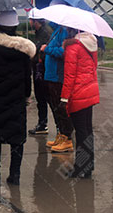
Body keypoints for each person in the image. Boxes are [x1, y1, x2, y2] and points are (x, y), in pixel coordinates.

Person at [0, 10, 35, 187]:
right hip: (16, 99)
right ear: (15, 25)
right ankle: (15, 176)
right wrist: (26, 95)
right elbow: (27, 76)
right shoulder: (23, 49)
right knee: (16, 138)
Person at [61, 28, 100, 178]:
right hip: (90, 91)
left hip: (78, 94)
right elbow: (94, 67)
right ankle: (88, 166)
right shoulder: (92, 44)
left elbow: (69, 75)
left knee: (81, 132)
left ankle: (81, 168)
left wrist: (64, 98)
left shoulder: (73, 47)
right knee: (87, 130)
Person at [42, 18, 73, 153]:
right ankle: (61, 135)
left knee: (61, 109)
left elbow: (63, 52)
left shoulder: (65, 32)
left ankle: (67, 138)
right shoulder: (57, 30)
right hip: (51, 76)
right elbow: (51, 23)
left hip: (57, 76)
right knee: (55, 108)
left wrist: (47, 49)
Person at [28, 8, 52, 135]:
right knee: (41, 98)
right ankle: (42, 124)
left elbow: (42, 51)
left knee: (46, 98)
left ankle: (50, 125)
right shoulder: (40, 32)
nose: (30, 22)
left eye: (30, 20)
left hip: (42, 70)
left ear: (35, 21)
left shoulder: (45, 33)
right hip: (39, 69)